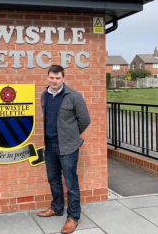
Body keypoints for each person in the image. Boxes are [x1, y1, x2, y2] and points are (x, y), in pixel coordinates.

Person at [37, 65, 90, 234]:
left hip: (68, 146)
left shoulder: (73, 96)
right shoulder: (44, 96)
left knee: (70, 182)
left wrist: (71, 136)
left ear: (63, 79)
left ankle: (73, 217)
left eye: (57, 78)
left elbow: (85, 120)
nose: (54, 81)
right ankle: (57, 207)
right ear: (48, 78)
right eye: (51, 78)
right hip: (50, 145)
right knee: (53, 179)